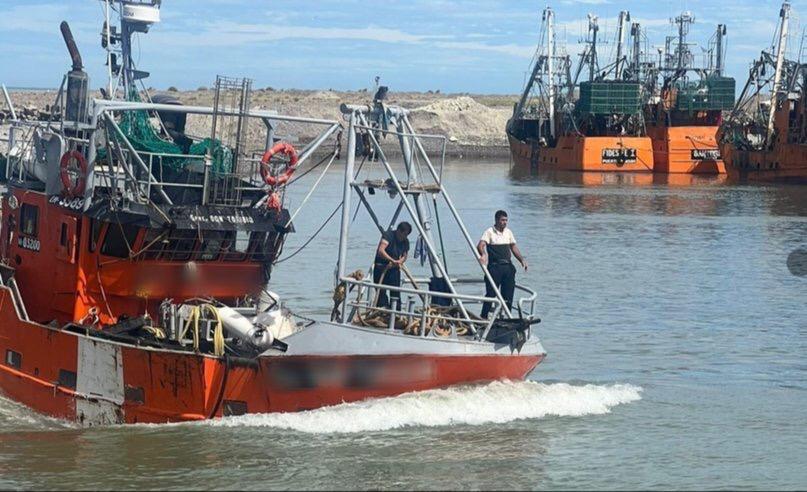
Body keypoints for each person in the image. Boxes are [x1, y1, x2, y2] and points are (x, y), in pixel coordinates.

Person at [477, 210, 528, 318]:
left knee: (508, 294)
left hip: (508, 267)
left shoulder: (508, 232)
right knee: (491, 293)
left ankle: (507, 317)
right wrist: (483, 254)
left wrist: (522, 260)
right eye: (502, 220)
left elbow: (513, 247)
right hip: (495, 267)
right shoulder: (489, 232)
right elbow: (481, 245)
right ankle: (483, 316)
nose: (505, 222)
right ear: (496, 220)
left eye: (506, 220)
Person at [373, 222, 412, 308]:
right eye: (404, 234)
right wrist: (392, 260)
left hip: (394, 269)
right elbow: (381, 250)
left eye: (406, 235)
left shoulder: (405, 241)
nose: (404, 237)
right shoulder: (389, 235)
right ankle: (382, 311)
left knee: (395, 293)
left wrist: (400, 261)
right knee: (381, 293)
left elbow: (405, 255)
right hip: (381, 268)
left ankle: (396, 312)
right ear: (398, 231)